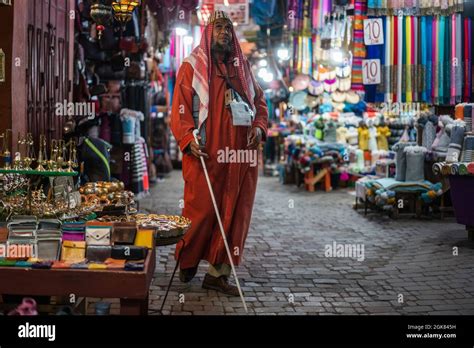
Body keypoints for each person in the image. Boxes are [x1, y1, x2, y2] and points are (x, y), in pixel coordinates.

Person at [170, 10, 268, 295]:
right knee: (199, 209)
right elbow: (180, 108)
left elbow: (260, 102)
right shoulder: (192, 67)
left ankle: (218, 272)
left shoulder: (244, 69)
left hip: (241, 155)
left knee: (235, 213)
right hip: (206, 153)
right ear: (208, 32)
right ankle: (187, 259)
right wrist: (188, 138)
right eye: (218, 27)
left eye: (228, 27)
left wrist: (260, 128)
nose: (224, 32)